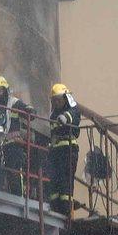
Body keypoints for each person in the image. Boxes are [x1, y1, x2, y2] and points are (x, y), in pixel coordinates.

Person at [48, 83, 81, 216]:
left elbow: (74, 115)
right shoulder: (52, 115)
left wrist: (65, 118)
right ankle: (55, 206)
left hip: (68, 150)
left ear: (66, 98)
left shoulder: (73, 109)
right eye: (54, 100)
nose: (56, 102)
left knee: (66, 179)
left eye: (59, 99)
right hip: (55, 152)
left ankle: (66, 208)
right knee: (55, 179)